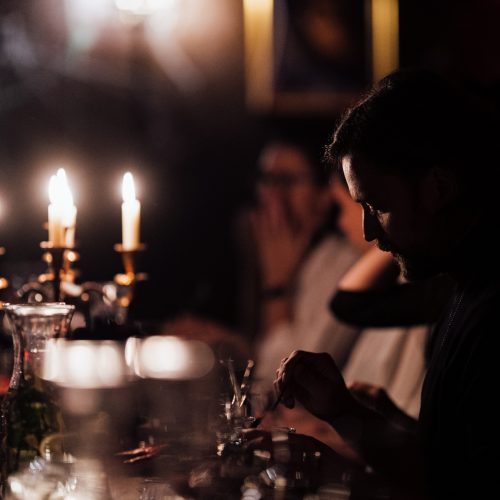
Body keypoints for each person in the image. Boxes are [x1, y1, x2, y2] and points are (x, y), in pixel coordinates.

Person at [274, 69, 500, 498]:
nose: (367, 233)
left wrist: (336, 471)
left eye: (377, 205)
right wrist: (351, 413)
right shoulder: (461, 281)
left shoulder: (492, 311)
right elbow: (450, 461)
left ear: (438, 187)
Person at [248, 138, 365, 396]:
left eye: (287, 181)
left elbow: (290, 385)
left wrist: (276, 287)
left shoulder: (345, 263)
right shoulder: (257, 252)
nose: (272, 197)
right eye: (266, 180)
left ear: (324, 196)